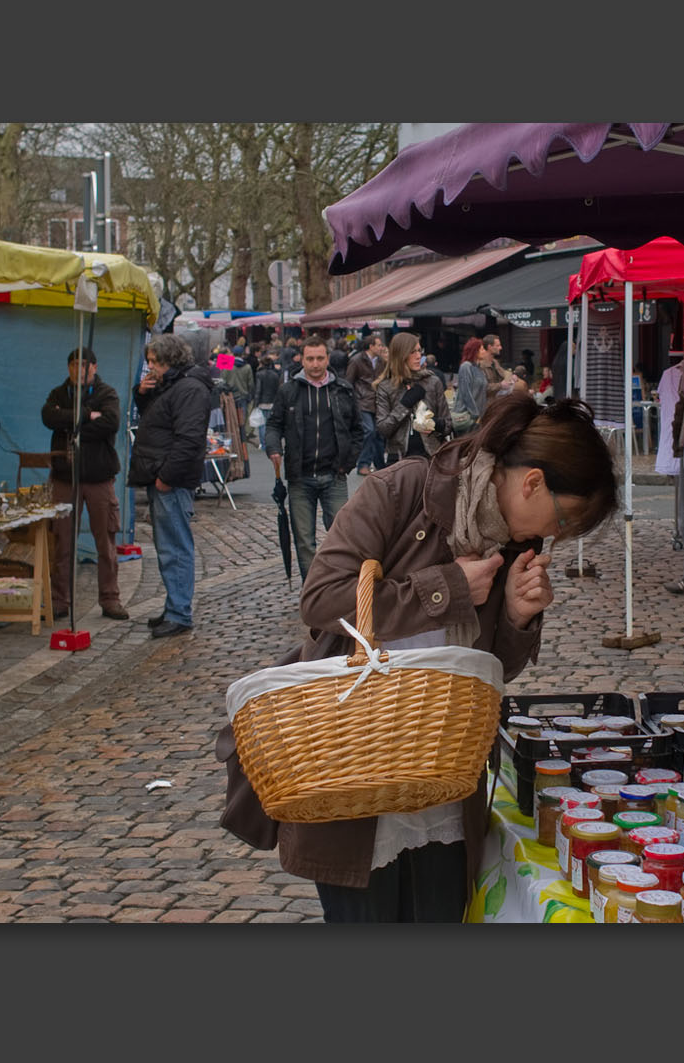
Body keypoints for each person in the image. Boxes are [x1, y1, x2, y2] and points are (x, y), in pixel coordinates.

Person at [223, 393, 621, 922]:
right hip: (352, 772)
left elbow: (487, 673)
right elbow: (321, 601)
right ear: (533, 482)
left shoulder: (505, 542)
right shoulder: (401, 490)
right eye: (563, 520)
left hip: (442, 786)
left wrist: (518, 617)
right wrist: (448, 587)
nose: (555, 536)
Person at [129, 331, 218, 640]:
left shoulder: (189, 388)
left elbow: (188, 438)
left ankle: (179, 612)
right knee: (169, 546)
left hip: (171, 480)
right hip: (163, 475)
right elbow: (157, 420)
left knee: (175, 547)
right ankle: (173, 607)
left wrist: (166, 477)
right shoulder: (172, 386)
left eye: (154, 361)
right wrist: (142, 393)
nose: (150, 366)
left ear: (168, 361)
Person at [265, 336, 364, 582]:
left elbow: (358, 430)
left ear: (327, 359)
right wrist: (273, 447)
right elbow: (274, 425)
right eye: (310, 358)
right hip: (300, 476)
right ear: (302, 359)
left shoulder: (342, 389)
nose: (316, 364)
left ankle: (340, 584)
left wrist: (347, 463)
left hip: (334, 474)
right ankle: (312, 591)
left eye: (320, 358)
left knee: (343, 534)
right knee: (304, 539)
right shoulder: (289, 391)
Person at [40, 347, 127, 620]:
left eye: (84, 365)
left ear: (94, 367)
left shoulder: (107, 393)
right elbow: (48, 417)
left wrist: (72, 422)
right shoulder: (58, 393)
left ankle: (110, 598)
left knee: (106, 543)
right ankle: (59, 600)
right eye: (74, 365)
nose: (79, 370)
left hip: (99, 477)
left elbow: (111, 422)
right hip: (66, 478)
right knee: (63, 543)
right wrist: (86, 415)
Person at [373, 332, 453, 465]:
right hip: (399, 460)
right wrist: (405, 404)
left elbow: (448, 425)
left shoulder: (432, 382)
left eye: (419, 351)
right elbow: (383, 429)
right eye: (412, 352)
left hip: (431, 457)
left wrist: (435, 424)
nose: (418, 356)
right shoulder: (386, 386)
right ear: (400, 355)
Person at [346, 333, 388, 475]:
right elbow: (349, 382)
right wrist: (352, 401)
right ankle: (363, 464)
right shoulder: (357, 360)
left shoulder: (382, 361)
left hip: (378, 401)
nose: (381, 347)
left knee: (378, 433)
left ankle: (380, 465)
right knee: (369, 431)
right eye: (379, 345)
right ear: (371, 346)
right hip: (362, 401)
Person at [451, 337, 490, 435]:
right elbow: (465, 392)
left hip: (478, 418)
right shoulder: (466, 366)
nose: (484, 351)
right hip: (467, 416)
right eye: (481, 349)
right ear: (474, 351)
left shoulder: (479, 369)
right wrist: (475, 413)